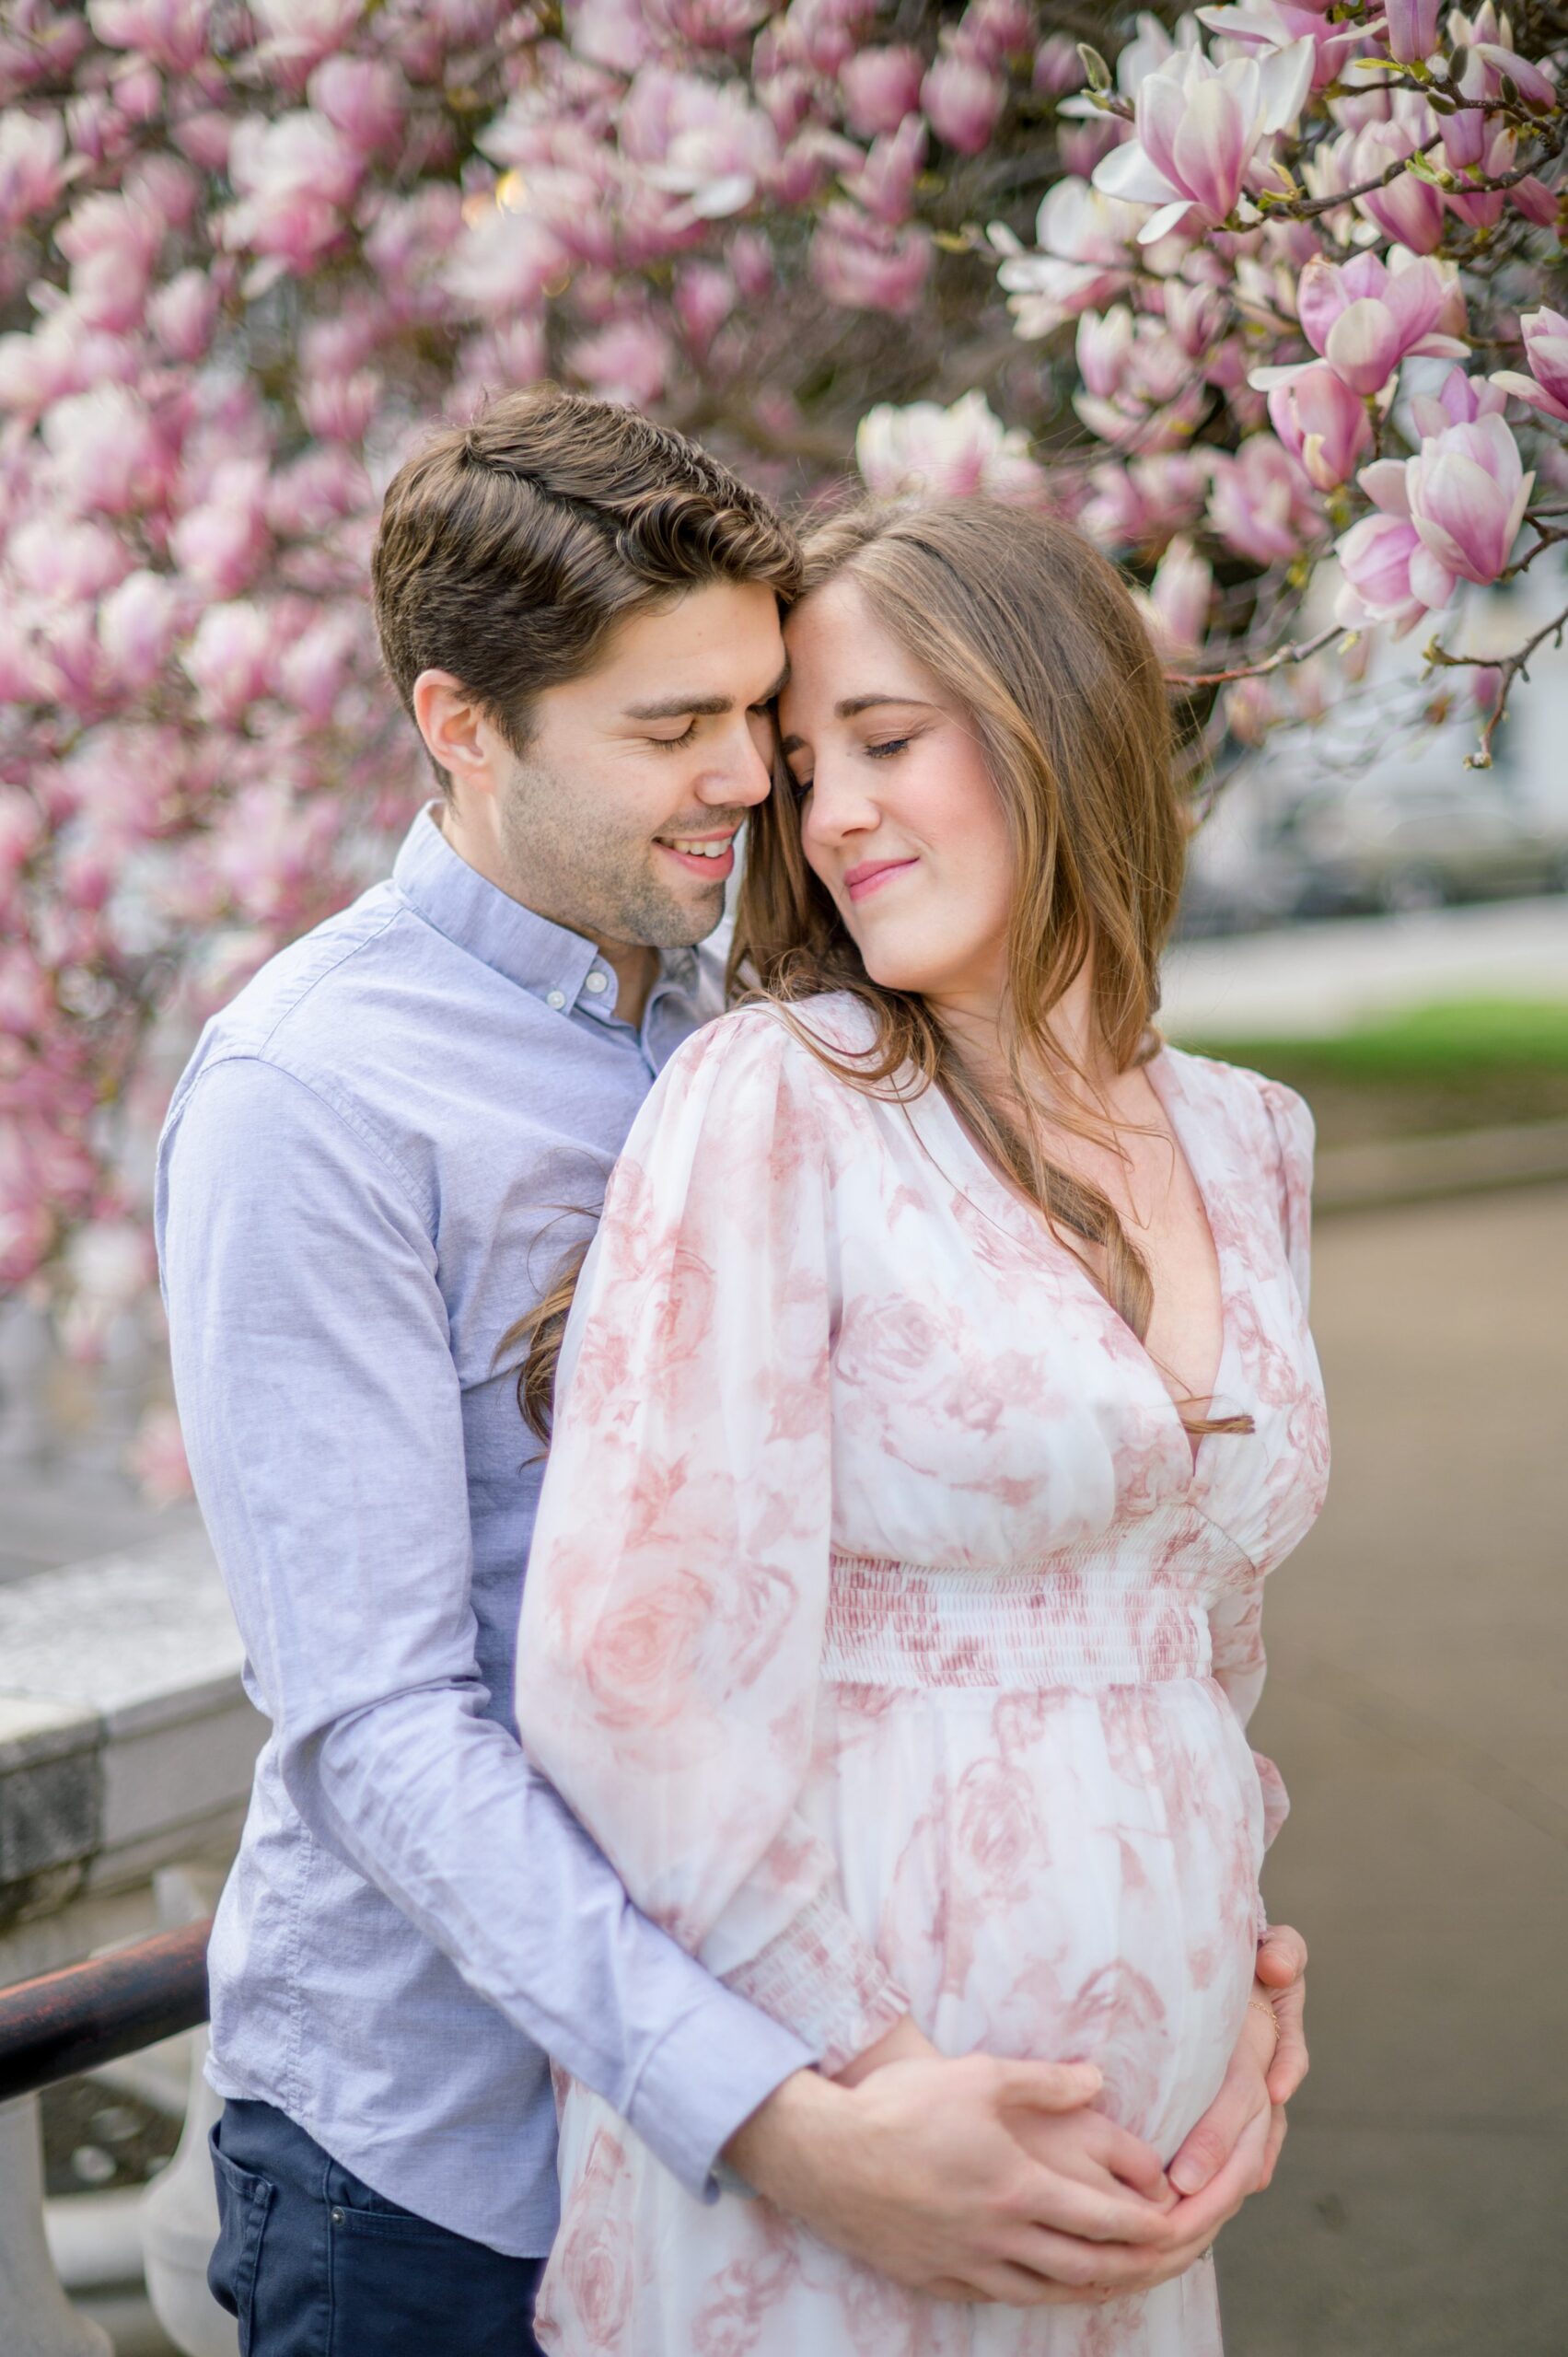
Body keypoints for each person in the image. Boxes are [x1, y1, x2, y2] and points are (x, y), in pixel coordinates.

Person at [157, 390, 1307, 2357]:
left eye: (758, 723)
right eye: (670, 731)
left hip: (866, 2135)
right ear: (460, 724)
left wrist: (1203, 1920)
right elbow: (378, 1719)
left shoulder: (777, 1014)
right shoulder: (313, 1095)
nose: (751, 790)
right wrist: (779, 2112)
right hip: (441, 2166)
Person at [514, 493, 1330, 2354]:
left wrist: (1245, 1958)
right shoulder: (779, 1102)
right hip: (861, 2162)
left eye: (886, 741)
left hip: (1146, 2177)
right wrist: (868, 2105)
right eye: (807, 770)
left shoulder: (1249, 1137)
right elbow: (634, 1675)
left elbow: (1201, 1633)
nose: (834, 814)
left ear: (1060, 718)